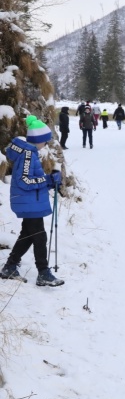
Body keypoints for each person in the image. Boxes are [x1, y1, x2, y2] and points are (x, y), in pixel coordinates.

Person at [0, 115, 64, 287]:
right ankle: (43, 273)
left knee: (28, 235)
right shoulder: (28, 154)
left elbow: (32, 179)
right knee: (39, 236)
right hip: (28, 202)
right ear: (38, 140)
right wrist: (48, 180)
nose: (46, 144)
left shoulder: (30, 153)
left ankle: (10, 266)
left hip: (29, 201)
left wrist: (50, 180)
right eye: (45, 141)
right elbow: (24, 180)